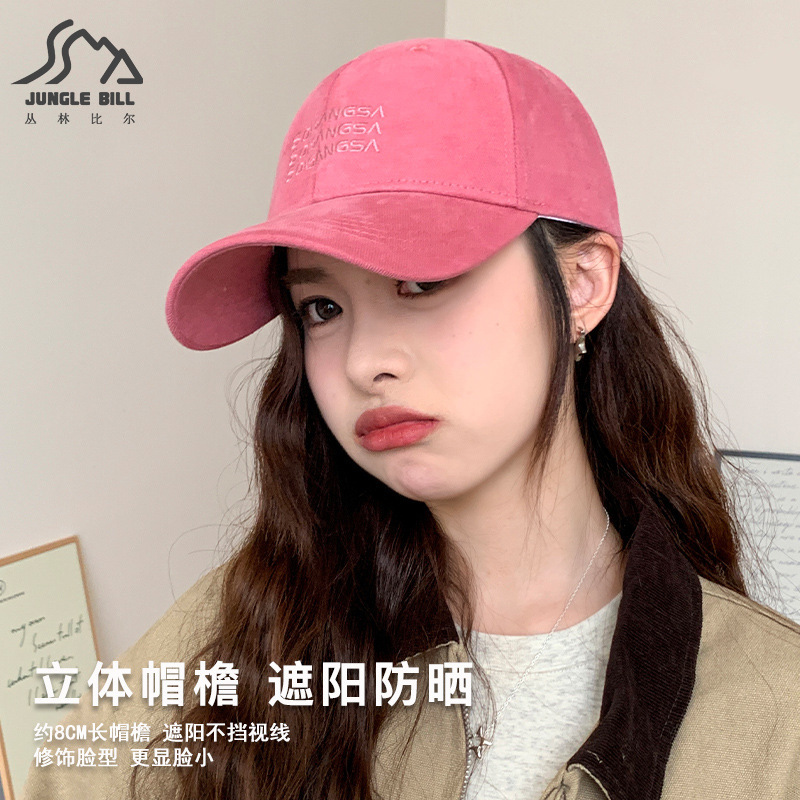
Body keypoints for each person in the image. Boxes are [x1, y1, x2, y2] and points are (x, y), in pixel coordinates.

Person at [23, 38, 800, 800]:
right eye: (321, 308)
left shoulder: (774, 713)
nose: (363, 362)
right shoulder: (251, 623)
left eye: (421, 283)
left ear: (581, 284)